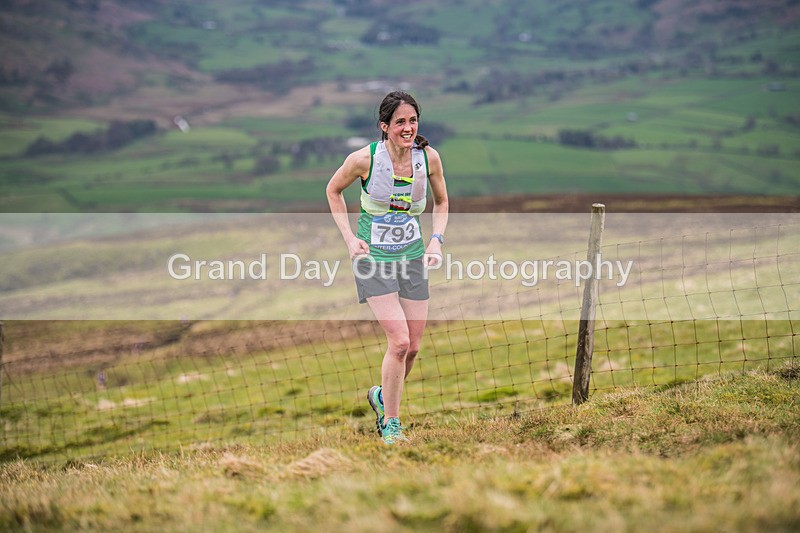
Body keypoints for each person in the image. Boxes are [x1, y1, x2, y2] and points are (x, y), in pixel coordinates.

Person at [326, 90, 449, 445]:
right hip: (373, 260)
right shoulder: (364, 159)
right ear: (384, 126)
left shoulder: (429, 159)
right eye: (400, 122)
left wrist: (436, 240)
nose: (408, 128)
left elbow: (442, 201)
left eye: (413, 121)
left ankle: (382, 397)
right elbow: (333, 190)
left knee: (413, 348)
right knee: (399, 341)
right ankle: (391, 425)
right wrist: (349, 239)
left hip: (412, 258)